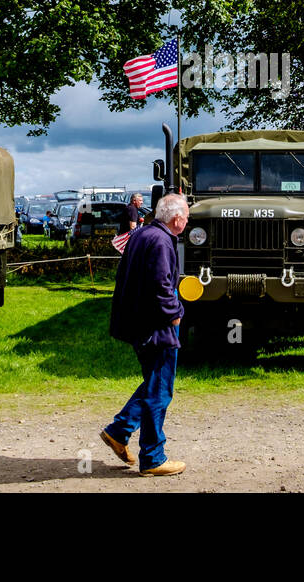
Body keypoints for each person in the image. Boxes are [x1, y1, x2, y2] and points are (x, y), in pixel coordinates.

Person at [102, 192, 190, 476]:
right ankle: (153, 458)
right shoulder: (163, 241)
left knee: (154, 384)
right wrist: (175, 314)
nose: (188, 221)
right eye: (187, 216)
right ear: (176, 219)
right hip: (155, 328)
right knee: (160, 391)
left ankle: (119, 431)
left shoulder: (142, 234)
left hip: (136, 323)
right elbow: (162, 286)